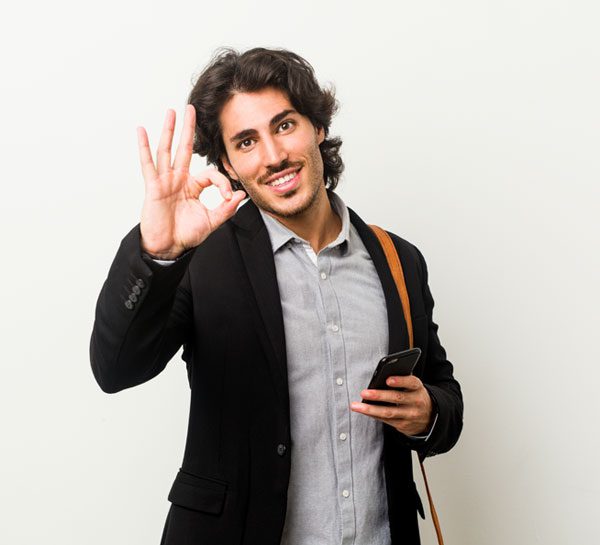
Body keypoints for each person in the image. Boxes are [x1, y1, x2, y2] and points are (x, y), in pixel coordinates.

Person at [90, 47, 463, 545]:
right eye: (246, 142)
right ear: (228, 163)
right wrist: (157, 252)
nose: (273, 156)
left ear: (318, 127)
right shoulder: (202, 259)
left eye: (284, 126)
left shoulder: (399, 260)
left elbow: (443, 390)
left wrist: (429, 414)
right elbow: (115, 370)